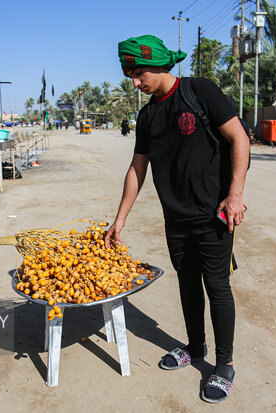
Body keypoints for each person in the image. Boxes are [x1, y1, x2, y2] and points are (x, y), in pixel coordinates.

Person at [104, 34, 249, 404]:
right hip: (176, 219)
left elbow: (239, 139)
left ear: (157, 64)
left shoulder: (200, 91)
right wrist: (119, 219)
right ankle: (195, 348)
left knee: (216, 287)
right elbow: (137, 169)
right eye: (131, 76)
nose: (136, 83)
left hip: (214, 215)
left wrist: (234, 196)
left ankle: (225, 365)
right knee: (187, 284)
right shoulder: (147, 114)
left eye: (138, 74)